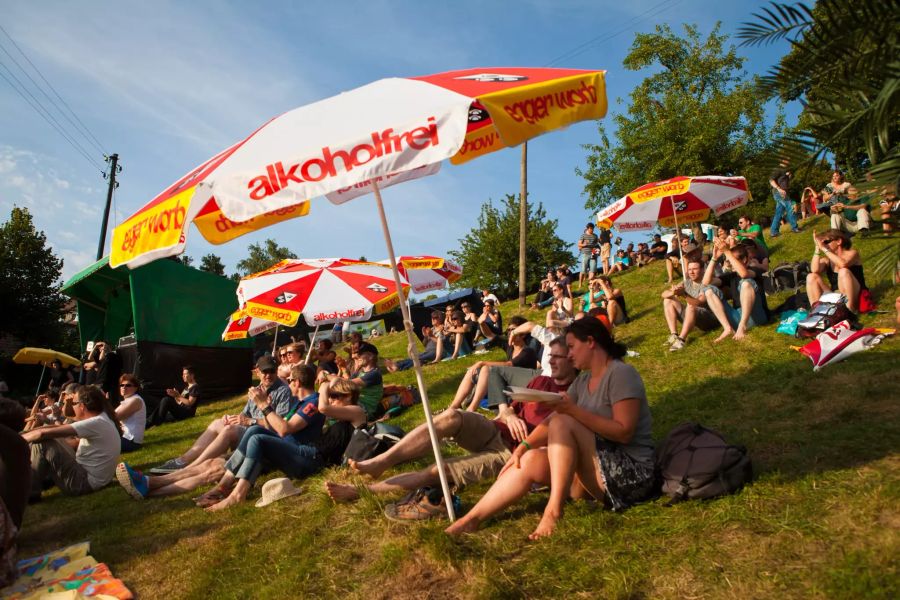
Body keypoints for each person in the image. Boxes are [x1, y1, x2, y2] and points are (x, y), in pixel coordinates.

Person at [446, 317, 655, 539]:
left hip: (631, 478)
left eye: (572, 347)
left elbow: (624, 432)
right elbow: (552, 419)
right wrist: (523, 447)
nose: (570, 354)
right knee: (530, 459)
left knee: (564, 421)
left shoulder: (621, 373)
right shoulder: (583, 382)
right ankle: (471, 520)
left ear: (591, 342)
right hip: (597, 472)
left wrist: (572, 411)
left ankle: (554, 511)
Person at [327, 338, 578, 507]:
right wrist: (509, 412)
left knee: (441, 471)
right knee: (450, 416)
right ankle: (381, 462)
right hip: (495, 428)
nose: (552, 361)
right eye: (551, 356)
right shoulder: (540, 382)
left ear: (573, 360)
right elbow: (513, 406)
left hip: (510, 453)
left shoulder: (577, 395)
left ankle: (361, 492)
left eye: (559, 357)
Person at [149, 356, 293, 474]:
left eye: (272, 371)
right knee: (219, 422)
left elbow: (279, 426)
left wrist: (251, 421)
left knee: (230, 430)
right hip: (249, 431)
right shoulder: (255, 389)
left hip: (263, 437)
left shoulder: (283, 391)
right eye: (264, 371)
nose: (268, 375)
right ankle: (183, 460)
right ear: (257, 372)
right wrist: (232, 418)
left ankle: (189, 468)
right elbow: (244, 415)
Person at [23, 385, 121, 499]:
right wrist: (24, 433)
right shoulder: (102, 418)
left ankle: (30, 493)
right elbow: (56, 427)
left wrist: (18, 439)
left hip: (83, 483)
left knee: (41, 443)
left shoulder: (96, 422)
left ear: (82, 406)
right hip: (91, 477)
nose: (72, 407)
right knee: (49, 434)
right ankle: (39, 481)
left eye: (73, 403)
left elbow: (42, 434)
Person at [702, 241, 768, 342]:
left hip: (757, 316)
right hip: (737, 316)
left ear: (745, 260)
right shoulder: (731, 276)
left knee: (746, 283)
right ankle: (727, 329)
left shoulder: (755, 270)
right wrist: (714, 259)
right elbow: (705, 283)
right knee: (708, 290)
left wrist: (727, 252)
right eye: (729, 261)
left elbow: (744, 274)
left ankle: (742, 326)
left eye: (733, 260)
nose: (730, 263)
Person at [662, 259, 721, 351]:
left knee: (691, 306)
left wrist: (684, 294)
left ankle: (681, 340)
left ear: (702, 270)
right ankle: (674, 335)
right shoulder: (687, 282)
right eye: (689, 269)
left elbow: (698, 302)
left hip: (710, 320)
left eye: (695, 269)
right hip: (693, 317)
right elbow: (664, 294)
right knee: (668, 300)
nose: (691, 272)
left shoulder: (709, 282)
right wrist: (673, 292)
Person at [806, 229, 867, 313]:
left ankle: (849, 311)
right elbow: (814, 270)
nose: (823, 245)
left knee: (843, 271)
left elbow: (843, 264)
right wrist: (817, 248)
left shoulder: (852, 253)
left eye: (826, 242)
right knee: (811, 277)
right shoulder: (827, 260)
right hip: (837, 296)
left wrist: (824, 249)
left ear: (838, 241)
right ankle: (817, 313)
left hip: (855, 294)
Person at [769, 158, 801, 237]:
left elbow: (783, 181)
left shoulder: (785, 171)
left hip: (784, 193)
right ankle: (795, 228)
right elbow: (771, 180)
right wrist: (779, 189)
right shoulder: (778, 169)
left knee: (779, 213)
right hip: (779, 193)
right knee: (790, 207)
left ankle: (774, 232)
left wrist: (788, 176)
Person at [115, 374, 146, 453]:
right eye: (121, 385)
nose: (124, 387)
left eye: (128, 385)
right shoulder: (127, 401)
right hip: (124, 437)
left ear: (135, 388)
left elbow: (116, 417)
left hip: (130, 441)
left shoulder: (136, 400)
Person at [577, 222, 599, 287]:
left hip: (593, 253)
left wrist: (597, 252)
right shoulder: (583, 235)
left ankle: (590, 282)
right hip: (585, 254)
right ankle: (580, 283)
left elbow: (597, 245)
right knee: (583, 270)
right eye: (591, 229)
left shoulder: (595, 236)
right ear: (587, 228)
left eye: (593, 229)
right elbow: (579, 244)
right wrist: (584, 244)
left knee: (593, 269)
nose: (592, 230)